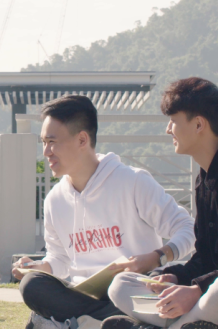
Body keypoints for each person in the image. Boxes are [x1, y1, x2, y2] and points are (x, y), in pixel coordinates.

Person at [103, 77, 218, 329]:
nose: (168, 130)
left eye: (174, 121)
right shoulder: (204, 180)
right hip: (215, 299)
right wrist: (177, 276)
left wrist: (197, 289)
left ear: (199, 124)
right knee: (122, 285)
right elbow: (206, 257)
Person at [13, 95, 196, 327]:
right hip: (83, 295)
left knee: (127, 291)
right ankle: (116, 321)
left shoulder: (133, 182)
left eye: (52, 141)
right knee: (32, 284)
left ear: (82, 139)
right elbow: (59, 259)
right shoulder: (54, 200)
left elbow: (188, 228)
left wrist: (157, 256)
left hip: (133, 287)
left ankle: (89, 321)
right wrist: (42, 267)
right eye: (43, 142)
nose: (46, 151)